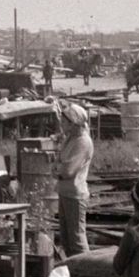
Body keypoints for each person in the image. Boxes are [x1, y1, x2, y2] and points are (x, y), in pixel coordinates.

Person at [54, 102, 94, 258]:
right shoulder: (70, 139)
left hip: (75, 195)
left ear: (73, 122)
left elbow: (68, 171)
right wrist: (58, 169)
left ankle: (88, 270)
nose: (62, 124)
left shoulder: (83, 142)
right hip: (65, 192)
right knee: (66, 240)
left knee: (77, 239)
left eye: (64, 122)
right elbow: (58, 164)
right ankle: (73, 273)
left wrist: (58, 170)